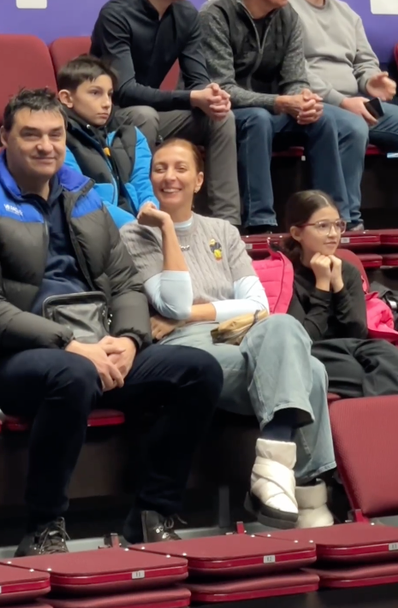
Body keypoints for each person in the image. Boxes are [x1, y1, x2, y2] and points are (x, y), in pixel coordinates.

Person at [0, 89, 224, 555]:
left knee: (198, 370)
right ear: (5, 137)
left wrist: (130, 340)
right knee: (72, 375)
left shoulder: (84, 194)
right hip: (13, 358)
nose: (46, 146)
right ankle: (44, 527)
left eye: (55, 135)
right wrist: (69, 344)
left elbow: (125, 281)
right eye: (31, 135)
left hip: (100, 345)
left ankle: (153, 513)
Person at [121, 138, 336, 530]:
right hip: (186, 349)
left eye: (180, 168)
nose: (169, 177)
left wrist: (191, 314)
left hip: (240, 335)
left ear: (199, 180)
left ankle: (275, 476)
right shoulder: (135, 234)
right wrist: (166, 228)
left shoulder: (222, 230)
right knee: (312, 372)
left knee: (282, 325)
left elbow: (257, 306)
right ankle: (305, 494)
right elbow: (174, 303)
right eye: (160, 169)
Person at [199, 0, 368, 233]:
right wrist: (279, 102)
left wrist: (303, 98)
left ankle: (334, 219)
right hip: (221, 112)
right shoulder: (216, 14)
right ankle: (260, 223)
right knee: (258, 119)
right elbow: (223, 88)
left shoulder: (288, 15)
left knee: (321, 119)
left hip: (272, 110)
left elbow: (295, 80)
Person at [90, 0, 242, 227]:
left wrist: (210, 95)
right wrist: (192, 97)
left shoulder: (186, 14)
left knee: (220, 119)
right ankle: (148, 217)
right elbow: (125, 90)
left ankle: (226, 224)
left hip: (154, 113)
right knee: (145, 115)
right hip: (111, 116)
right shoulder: (116, 14)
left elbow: (197, 80)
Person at [284, 190, 398, 398]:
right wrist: (322, 286)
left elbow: (357, 333)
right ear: (297, 233)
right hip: (314, 351)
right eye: (323, 226)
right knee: (361, 371)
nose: (333, 234)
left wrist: (338, 285)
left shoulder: (347, 271)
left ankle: (377, 410)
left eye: (338, 225)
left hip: (352, 348)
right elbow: (304, 339)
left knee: (387, 353)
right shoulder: (286, 274)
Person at [58, 56, 158, 229]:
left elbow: (142, 183)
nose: (106, 103)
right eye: (95, 93)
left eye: (110, 94)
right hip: (93, 230)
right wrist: (134, 228)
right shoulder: (58, 139)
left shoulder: (131, 135)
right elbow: (82, 197)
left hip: (137, 228)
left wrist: (149, 207)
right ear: (67, 98)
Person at [290, 0, 398, 150]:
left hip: (354, 103)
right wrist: (340, 101)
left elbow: (365, 61)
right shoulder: (286, 9)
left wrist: (369, 80)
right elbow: (293, 69)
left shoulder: (347, 13)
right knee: (353, 127)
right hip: (312, 104)